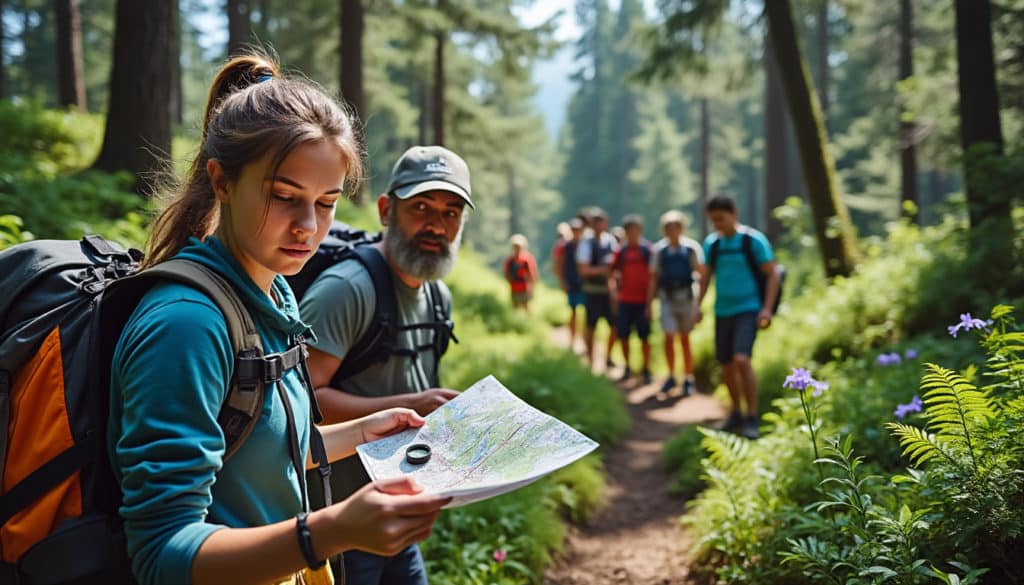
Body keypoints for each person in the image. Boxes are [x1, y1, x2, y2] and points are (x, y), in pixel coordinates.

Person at [108, 54, 451, 585]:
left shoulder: (275, 295)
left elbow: (263, 449)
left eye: (327, 202)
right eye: (284, 197)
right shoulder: (186, 326)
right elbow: (163, 553)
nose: (308, 226)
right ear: (221, 181)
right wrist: (327, 533)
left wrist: (364, 430)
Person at [299, 145, 473, 585]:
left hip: (401, 506)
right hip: (340, 517)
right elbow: (304, 402)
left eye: (451, 212)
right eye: (420, 207)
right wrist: (411, 403)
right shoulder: (347, 289)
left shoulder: (437, 296)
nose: (436, 224)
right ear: (385, 210)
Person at [695, 194, 780, 440]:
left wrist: (767, 308)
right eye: (713, 220)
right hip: (723, 311)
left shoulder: (753, 241)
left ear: (734, 213)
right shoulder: (713, 245)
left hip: (749, 309)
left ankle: (752, 416)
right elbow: (706, 277)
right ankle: (736, 413)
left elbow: (772, 274)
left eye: (721, 218)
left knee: (742, 360)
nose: (717, 224)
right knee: (727, 365)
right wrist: (697, 306)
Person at [649, 210, 704, 397]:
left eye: (676, 227)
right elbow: (654, 278)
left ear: (681, 228)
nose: (672, 231)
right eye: (669, 228)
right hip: (666, 299)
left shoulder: (691, 249)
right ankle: (672, 375)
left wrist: (698, 304)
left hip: (686, 299)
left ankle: (689, 378)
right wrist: (649, 304)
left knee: (685, 339)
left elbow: (700, 274)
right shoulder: (660, 251)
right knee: (669, 337)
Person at [611, 214, 653, 384]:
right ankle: (628, 367)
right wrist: (614, 293)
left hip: (643, 302)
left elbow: (653, 277)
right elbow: (612, 273)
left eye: (636, 230)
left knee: (645, 337)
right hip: (625, 301)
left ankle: (646, 369)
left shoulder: (647, 250)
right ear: (626, 232)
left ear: (640, 231)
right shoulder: (620, 252)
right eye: (630, 231)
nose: (633, 234)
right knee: (624, 336)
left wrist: (650, 303)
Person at [576, 207, 619, 371]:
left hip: (608, 291)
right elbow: (583, 269)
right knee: (590, 326)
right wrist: (603, 269)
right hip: (592, 291)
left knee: (614, 326)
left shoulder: (610, 241)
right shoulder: (586, 242)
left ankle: (608, 357)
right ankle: (590, 359)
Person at [553, 218, 585, 350]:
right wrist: (562, 282)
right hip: (571, 283)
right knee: (573, 312)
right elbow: (559, 265)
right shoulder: (565, 247)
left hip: (584, 284)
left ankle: (583, 340)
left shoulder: (585, 245)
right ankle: (572, 340)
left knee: (585, 314)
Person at [504, 233, 539, 312]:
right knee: (515, 307)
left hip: (525, 287)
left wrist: (532, 286)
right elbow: (506, 273)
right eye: (515, 246)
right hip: (514, 287)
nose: (517, 248)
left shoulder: (527, 259)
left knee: (526, 307)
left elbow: (532, 273)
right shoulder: (510, 260)